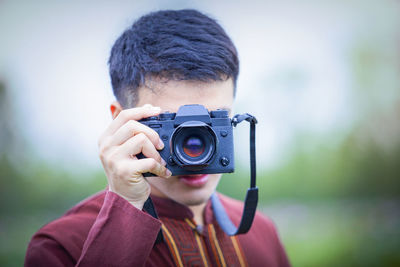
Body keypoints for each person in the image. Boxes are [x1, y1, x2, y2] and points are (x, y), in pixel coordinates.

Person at [25, 9, 290, 267]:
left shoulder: (260, 230)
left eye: (213, 120)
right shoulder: (62, 246)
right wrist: (124, 211)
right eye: (171, 124)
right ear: (120, 120)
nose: (194, 146)